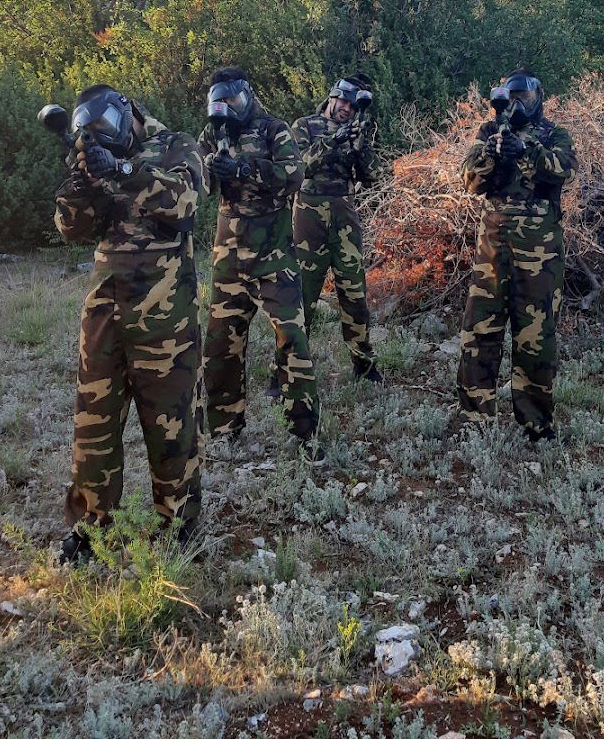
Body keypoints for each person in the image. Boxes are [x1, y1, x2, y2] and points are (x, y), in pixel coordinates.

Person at [52, 85, 205, 564]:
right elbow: (71, 228)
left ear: (130, 115)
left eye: (108, 130)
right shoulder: (94, 156)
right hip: (105, 312)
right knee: (92, 429)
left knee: (172, 428)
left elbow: (184, 205)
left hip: (165, 315)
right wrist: (79, 183)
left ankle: (179, 526)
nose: (104, 140)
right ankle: (92, 528)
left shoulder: (177, 146)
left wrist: (123, 170)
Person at [199, 67, 320, 457]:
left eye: (232, 99)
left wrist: (245, 169)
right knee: (220, 347)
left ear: (246, 93)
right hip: (228, 260)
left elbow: (294, 175)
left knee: (292, 342)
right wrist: (209, 170)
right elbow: (194, 180)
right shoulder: (213, 132)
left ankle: (304, 436)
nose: (227, 107)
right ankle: (223, 432)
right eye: (221, 101)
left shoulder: (272, 129)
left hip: (273, 257)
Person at [456, 69, 576, 441]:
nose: (518, 102)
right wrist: (491, 154)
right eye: (512, 96)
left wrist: (527, 150)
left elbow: (564, 171)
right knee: (479, 330)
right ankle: (475, 419)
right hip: (492, 246)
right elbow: (469, 181)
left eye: (525, 96)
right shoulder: (490, 132)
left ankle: (536, 423)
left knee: (535, 335)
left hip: (539, 250)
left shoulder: (553, 134)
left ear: (539, 97)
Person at [291, 74, 384, 386]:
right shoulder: (304, 125)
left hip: (343, 213)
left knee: (354, 292)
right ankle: (288, 369)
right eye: (342, 100)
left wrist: (361, 144)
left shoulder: (357, 129)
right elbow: (302, 165)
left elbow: (370, 176)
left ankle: (364, 365)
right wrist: (337, 138)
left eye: (352, 104)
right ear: (331, 98)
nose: (346, 107)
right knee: (302, 295)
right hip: (308, 213)